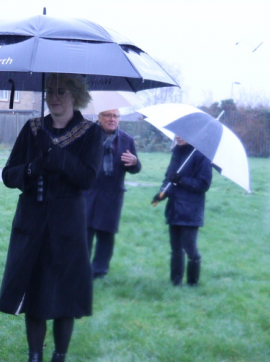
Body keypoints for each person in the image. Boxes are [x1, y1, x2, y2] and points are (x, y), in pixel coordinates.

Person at [0, 73, 105, 362]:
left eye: (61, 91)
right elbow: (8, 175)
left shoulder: (91, 133)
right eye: (50, 91)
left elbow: (87, 178)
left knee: (63, 297)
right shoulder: (32, 130)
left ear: (76, 95)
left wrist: (56, 157)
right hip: (31, 223)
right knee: (35, 294)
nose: (54, 97)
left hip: (67, 225)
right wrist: (33, 168)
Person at [84, 109, 142, 278]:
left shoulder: (127, 140)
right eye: (108, 115)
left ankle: (99, 270)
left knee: (106, 234)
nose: (112, 119)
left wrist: (135, 162)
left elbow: (135, 169)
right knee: (84, 232)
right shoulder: (87, 136)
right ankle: (81, 267)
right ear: (99, 117)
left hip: (112, 195)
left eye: (115, 116)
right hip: (88, 193)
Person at [152, 136, 212, 286]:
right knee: (176, 249)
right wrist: (162, 194)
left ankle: (193, 283)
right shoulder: (177, 153)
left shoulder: (201, 155)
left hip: (190, 210)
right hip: (174, 208)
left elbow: (203, 184)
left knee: (190, 248)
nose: (178, 137)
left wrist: (181, 180)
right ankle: (175, 281)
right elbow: (169, 178)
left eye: (182, 135)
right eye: (176, 134)